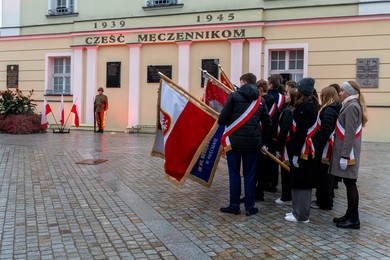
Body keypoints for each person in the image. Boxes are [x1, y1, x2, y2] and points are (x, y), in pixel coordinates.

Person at [218, 73, 271, 216]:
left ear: (243, 82)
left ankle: (234, 206)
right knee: (250, 175)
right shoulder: (260, 100)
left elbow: (222, 119)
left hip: (233, 143)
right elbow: (267, 123)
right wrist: (264, 142)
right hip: (253, 144)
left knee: (234, 174)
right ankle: (250, 207)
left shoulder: (234, 97)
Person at [330, 81, 368, 229]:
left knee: (350, 183)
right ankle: (350, 214)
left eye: (342, 91)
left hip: (349, 153)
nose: (339, 93)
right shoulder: (350, 105)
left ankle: (354, 219)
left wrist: (345, 156)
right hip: (347, 152)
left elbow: (350, 133)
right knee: (348, 183)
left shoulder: (352, 106)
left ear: (348, 92)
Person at [285, 77, 319, 223]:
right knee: (299, 181)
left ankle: (301, 215)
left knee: (302, 183)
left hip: (304, 151)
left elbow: (301, 133)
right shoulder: (308, 104)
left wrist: (296, 154)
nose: (296, 91)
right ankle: (297, 210)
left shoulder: (305, 107)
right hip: (303, 150)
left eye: (298, 89)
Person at [312, 86, 341, 210]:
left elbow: (325, 131)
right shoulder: (331, 108)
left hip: (325, 148)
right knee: (326, 175)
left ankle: (324, 202)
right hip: (327, 146)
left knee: (324, 175)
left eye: (323, 95)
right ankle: (324, 198)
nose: (321, 97)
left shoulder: (328, 110)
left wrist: (318, 147)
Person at [255, 79, 280, 195]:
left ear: (260, 89)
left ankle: (259, 189)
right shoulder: (273, 102)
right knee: (270, 165)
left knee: (259, 166)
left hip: (263, 138)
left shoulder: (261, 103)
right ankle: (268, 185)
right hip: (273, 138)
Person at [275, 87, 297, 206]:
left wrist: (278, 147)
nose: (285, 96)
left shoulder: (289, 111)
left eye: (287, 94)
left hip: (287, 145)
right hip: (291, 144)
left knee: (286, 171)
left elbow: (284, 131)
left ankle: (286, 196)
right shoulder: (291, 109)